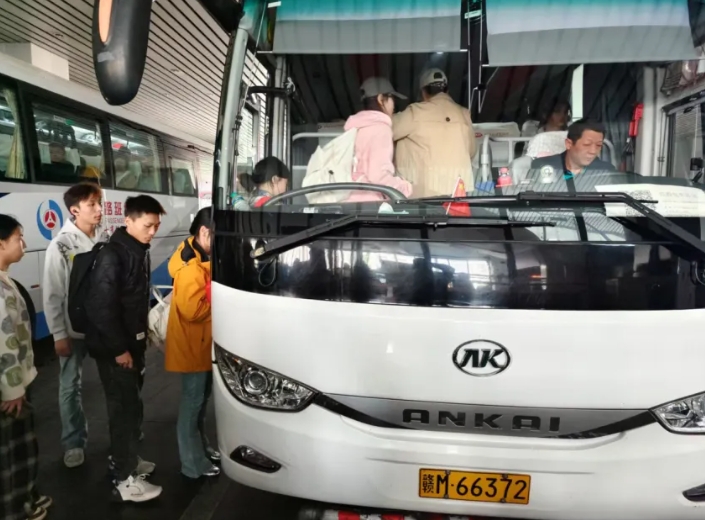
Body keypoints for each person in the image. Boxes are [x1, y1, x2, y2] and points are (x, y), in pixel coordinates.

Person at [84, 195, 165, 502]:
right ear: (127, 221)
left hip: (130, 346)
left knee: (131, 407)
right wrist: (120, 350)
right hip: (116, 351)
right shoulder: (113, 255)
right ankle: (124, 479)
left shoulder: (136, 250)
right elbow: (101, 308)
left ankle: (127, 460)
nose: (153, 232)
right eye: (147, 225)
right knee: (122, 410)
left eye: (156, 226)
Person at [42, 182, 108, 469]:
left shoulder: (105, 237)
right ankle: (73, 442)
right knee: (70, 386)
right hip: (74, 328)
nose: (99, 209)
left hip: (104, 327)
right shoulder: (60, 245)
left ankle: (124, 436)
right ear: (74, 210)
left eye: (99, 202)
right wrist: (58, 334)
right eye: (91, 204)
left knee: (115, 383)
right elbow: (53, 293)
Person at [0, 215, 52, 520]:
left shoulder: (5, 279)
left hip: (17, 380)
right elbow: (4, 342)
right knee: (12, 452)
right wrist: (12, 390)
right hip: (10, 388)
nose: (24, 243)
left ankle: (27, 496)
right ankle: (16, 509)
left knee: (23, 445)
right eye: (18, 237)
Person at [164, 207, 220, 479]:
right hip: (192, 348)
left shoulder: (201, 256)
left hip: (201, 345)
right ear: (204, 232)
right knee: (192, 405)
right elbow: (193, 311)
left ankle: (201, 449)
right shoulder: (190, 266)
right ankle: (192, 464)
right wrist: (221, 301)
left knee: (199, 402)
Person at [392, 68, 476, 198]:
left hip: (424, 198)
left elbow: (384, 131)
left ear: (423, 92)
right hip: (458, 194)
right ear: (447, 91)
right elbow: (472, 152)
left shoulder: (415, 113)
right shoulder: (464, 114)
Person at [342, 77, 412, 201]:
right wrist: (404, 187)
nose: (394, 105)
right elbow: (378, 176)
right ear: (381, 99)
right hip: (369, 203)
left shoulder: (356, 127)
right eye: (391, 98)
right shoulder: (380, 129)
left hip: (349, 200)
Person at [531, 118, 615, 179]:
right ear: (569, 144)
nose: (593, 151)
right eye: (587, 144)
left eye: (598, 145)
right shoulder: (543, 166)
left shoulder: (607, 171)